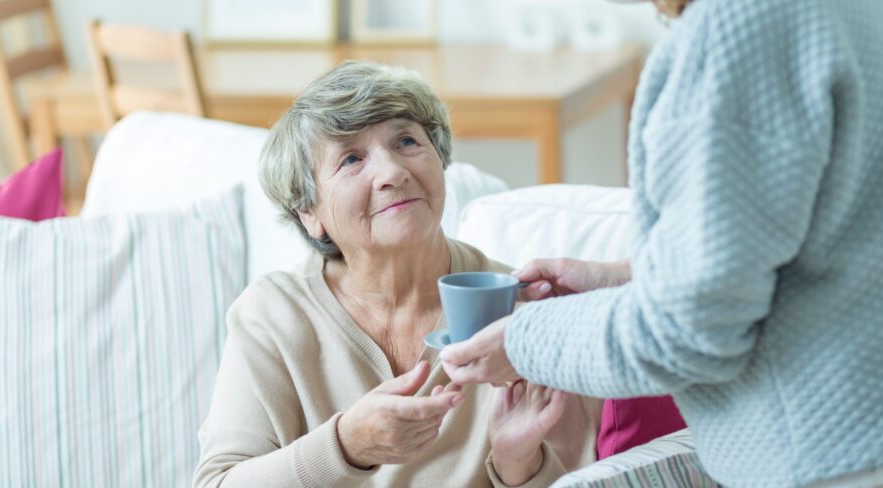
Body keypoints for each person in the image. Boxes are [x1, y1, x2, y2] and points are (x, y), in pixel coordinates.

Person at [440, 0, 883, 486]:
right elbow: (817, 224)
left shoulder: (736, 33)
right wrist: (626, 277)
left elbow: (687, 334)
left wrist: (523, 343)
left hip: (831, 458)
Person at [192, 60, 601, 488]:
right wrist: (345, 446)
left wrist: (517, 464)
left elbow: (591, 478)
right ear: (309, 213)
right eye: (351, 159)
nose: (392, 172)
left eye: (406, 141)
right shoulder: (273, 315)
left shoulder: (522, 309)